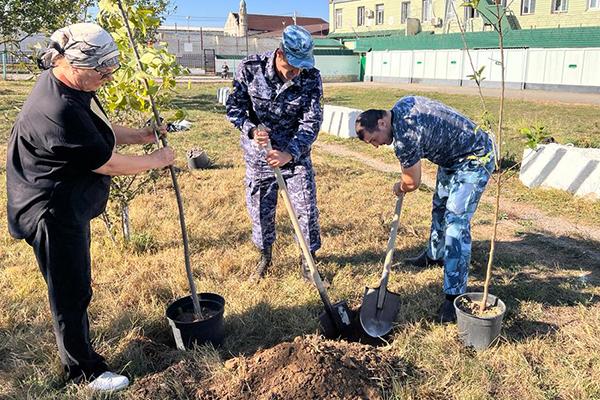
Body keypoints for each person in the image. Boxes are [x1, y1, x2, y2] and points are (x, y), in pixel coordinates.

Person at [5, 23, 175, 392]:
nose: (108, 77)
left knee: (75, 284)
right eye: (101, 71)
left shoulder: (66, 83)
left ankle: (80, 359)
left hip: (63, 200)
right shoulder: (57, 109)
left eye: (110, 69)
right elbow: (108, 162)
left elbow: (96, 128)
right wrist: (158, 158)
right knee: (70, 290)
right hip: (49, 210)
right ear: (72, 62)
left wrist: (142, 135)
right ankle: (84, 372)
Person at [354, 96, 495, 323]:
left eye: (374, 140)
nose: (376, 145)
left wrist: (399, 186)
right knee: (440, 207)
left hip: (474, 157)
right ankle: (434, 255)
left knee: (456, 223)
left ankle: (454, 295)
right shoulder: (402, 104)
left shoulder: (404, 136)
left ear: (382, 123)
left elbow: (412, 182)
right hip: (453, 157)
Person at [226, 25, 323, 280]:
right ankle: (265, 256)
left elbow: (311, 122)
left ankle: (308, 261)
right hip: (260, 157)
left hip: (295, 157)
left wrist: (289, 153)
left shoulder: (311, 77)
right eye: (291, 69)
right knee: (260, 210)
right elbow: (234, 108)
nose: (295, 75)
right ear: (279, 54)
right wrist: (250, 130)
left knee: (306, 209)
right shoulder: (250, 69)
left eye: (300, 69)